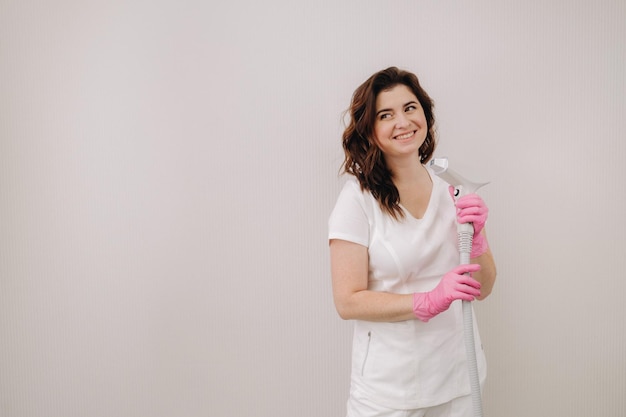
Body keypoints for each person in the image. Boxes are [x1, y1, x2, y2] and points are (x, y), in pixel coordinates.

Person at [328, 67, 497, 417]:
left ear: (425, 114)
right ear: (371, 130)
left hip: (460, 380)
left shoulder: (452, 188)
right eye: (385, 115)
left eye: (410, 108)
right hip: (390, 391)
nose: (402, 121)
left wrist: (477, 238)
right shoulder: (357, 199)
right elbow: (347, 301)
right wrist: (428, 300)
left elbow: (483, 287)